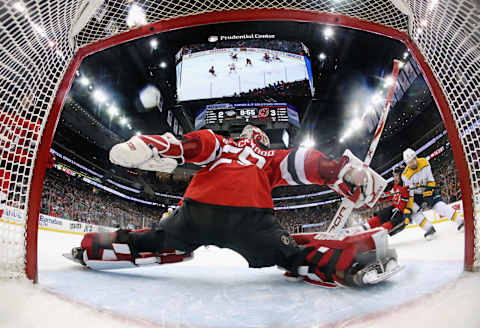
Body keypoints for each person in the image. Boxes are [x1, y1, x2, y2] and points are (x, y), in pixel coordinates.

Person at [73, 126, 401, 287]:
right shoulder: (269, 159)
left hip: (197, 211)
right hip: (250, 219)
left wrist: (160, 145)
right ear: (262, 141)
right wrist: (345, 172)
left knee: (156, 238)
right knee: (292, 253)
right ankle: (351, 260)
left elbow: (195, 145)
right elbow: (305, 162)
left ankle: (95, 246)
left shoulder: (224, 145)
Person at [363, 166, 437, 240]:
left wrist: (406, 194)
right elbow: (390, 194)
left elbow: (415, 194)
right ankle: (365, 227)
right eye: (394, 175)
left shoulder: (409, 183)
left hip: (405, 210)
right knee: (383, 214)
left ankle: (430, 229)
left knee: (414, 215)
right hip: (396, 207)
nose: (394, 177)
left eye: (396, 175)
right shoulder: (396, 185)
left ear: (402, 175)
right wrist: (379, 197)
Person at [401, 148, 464, 232]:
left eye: (412, 161)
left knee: (439, 206)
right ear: (406, 164)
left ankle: (460, 221)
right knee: (414, 211)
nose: (411, 164)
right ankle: (429, 229)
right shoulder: (405, 175)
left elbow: (430, 180)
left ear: (416, 158)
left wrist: (428, 192)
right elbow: (410, 194)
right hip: (417, 195)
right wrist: (408, 209)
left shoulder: (424, 162)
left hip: (428, 188)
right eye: (409, 163)